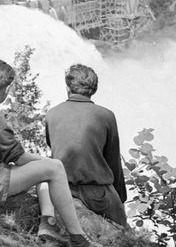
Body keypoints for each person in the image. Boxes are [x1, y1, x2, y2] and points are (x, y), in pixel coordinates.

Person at [0, 58, 117, 247]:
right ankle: (79, 241)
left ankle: (48, 223)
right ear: (7, 88)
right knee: (54, 168)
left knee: (46, 169)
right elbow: (19, 158)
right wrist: (45, 161)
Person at [44, 64, 128, 227]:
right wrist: (120, 198)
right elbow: (113, 160)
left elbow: (53, 147)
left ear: (68, 86)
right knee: (126, 234)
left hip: (62, 188)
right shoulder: (106, 115)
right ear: (94, 89)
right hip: (98, 194)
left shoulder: (52, 113)